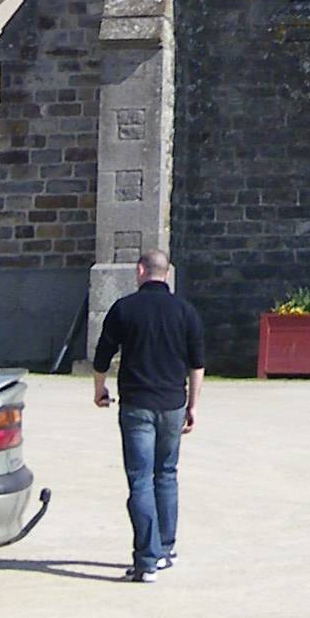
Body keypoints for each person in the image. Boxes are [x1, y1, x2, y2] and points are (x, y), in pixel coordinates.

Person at [92, 248, 205, 582]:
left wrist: (99, 388)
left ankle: (146, 559)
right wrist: (193, 405)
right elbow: (196, 364)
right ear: (166, 273)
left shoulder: (124, 308)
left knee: (140, 478)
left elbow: (102, 355)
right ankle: (166, 548)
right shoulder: (185, 311)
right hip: (172, 403)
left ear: (140, 270)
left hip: (137, 404)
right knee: (166, 474)